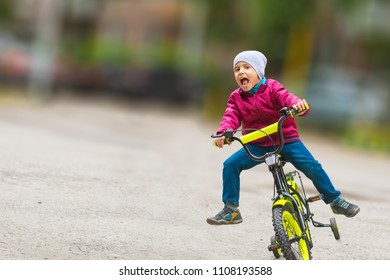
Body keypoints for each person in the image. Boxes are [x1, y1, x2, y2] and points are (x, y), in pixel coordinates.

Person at [207, 50, 360, 225]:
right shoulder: (236, 97)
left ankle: (335, 201)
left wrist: (298, 105)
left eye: (247, 67)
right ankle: (231, 210)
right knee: (230, 165)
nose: (241, 72)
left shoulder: (272, 87)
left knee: (312, 166)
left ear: (259, 72)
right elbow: (231, 115)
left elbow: (286, 97)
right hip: (257, 144)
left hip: (286, 139)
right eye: (237, 69)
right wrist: (224, 132)